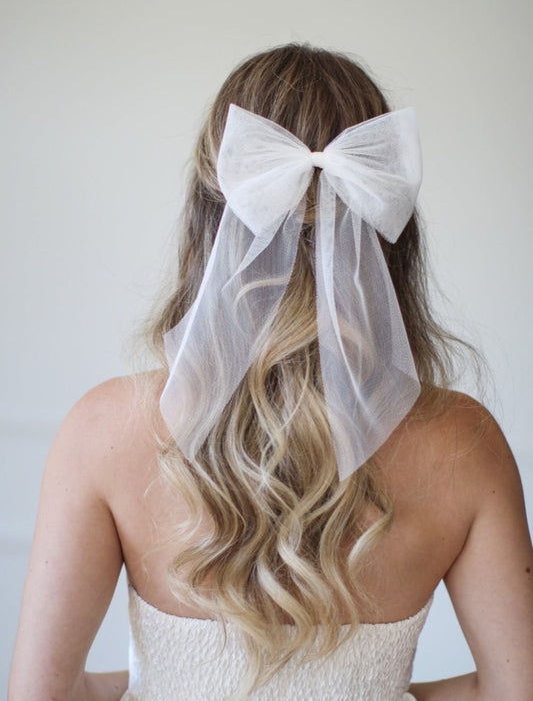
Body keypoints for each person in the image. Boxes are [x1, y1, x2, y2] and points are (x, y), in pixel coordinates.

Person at [8, 43, 533, 701]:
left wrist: (165, 681)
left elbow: (43, 695)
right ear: (388, 227)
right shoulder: (464, 443)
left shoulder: (104, 431)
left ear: (208, 220)